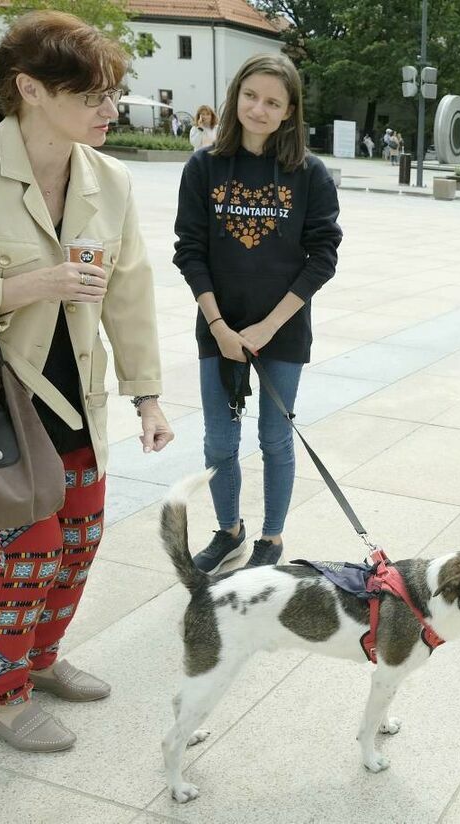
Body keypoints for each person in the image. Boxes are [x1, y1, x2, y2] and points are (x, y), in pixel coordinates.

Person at [0, 10, 173, 752]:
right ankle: (0, 698)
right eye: (92, 96)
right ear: (29, 89)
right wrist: (30, 286)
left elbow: (128, 291)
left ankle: (39, 660)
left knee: (80, 539)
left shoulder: (110, 178)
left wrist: (148, 396)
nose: (111, 110)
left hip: (77, 400)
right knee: (29, 549)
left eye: (113, 95)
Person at [173, 53, 342, 572]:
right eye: (251, 96)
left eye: (273, 101)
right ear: (235, 97)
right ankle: (229, 530)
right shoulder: (204, 167)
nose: (259, 109)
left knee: (274, 438)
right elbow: (189, 250)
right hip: (218, 331)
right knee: (219, 441)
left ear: (290, 111)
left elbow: (323, 255)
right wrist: (219, 325)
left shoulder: (309, 174)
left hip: (282, 333)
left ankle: (271, 538)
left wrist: (270, 326)